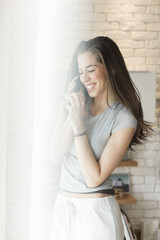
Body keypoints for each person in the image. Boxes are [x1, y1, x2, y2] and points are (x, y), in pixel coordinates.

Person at [49, 36, 152, 240]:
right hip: (64, 207)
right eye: (80, 72)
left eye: (91, 70)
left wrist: (79, 125)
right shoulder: (77, 105)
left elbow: (94, 178)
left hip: (96, 213)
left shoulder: (123, 118)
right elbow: (54, 155)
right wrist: (72, 112)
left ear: (111, 68)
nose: (84, 78)